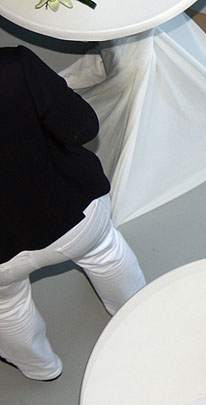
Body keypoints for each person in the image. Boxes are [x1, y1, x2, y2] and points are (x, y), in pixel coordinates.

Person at [0, 45, 146, 381]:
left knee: (6, 306)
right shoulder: (14, 67)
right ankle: (136, 313)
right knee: (105, 252)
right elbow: (82, 127)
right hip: (71, 211)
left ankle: (39, 367)